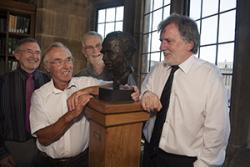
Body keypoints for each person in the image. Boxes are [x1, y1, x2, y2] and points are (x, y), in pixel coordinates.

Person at [141, 14, 230, 167]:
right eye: (161, 41)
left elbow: (217, 130)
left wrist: (204, 165)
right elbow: (144, 90)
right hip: (149, 154)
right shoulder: (158, 69)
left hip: (185, 162)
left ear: (189, 44)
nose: (161, 47)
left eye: (168, 41)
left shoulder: (210, 76)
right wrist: (146, 94)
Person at [29, 42, 139, 167]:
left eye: (68, 60)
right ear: (47, 67)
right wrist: (72, 115)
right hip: (48, 163)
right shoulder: (39, 96)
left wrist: (86, 90)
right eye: (58, 62)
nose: (66, 66)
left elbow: (115, 86)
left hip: (82, 161)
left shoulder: (84, 82)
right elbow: (43, 138)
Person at [0, 38, 50, 167]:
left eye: (38, 52)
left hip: (44, 147)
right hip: (13, 148)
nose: (34, 56)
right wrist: (1, 153)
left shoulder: (48, 81)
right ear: (17, 55)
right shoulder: (3, 82)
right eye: (29, 51)